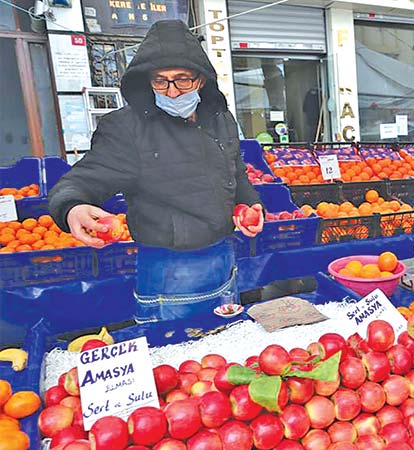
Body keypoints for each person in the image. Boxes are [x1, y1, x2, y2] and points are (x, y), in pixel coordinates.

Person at [49, 20, 263, 323]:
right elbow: (85, 176)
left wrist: (250, 202)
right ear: (147, 81)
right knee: (175, 359)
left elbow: (236, 170)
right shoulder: (126, 128)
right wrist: (72, 206)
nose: (172, 91)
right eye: (160, 81)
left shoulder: (220, 117)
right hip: (170, 269)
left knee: (222, 351)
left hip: (224, 256)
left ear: (201, 80)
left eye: (182, 80)